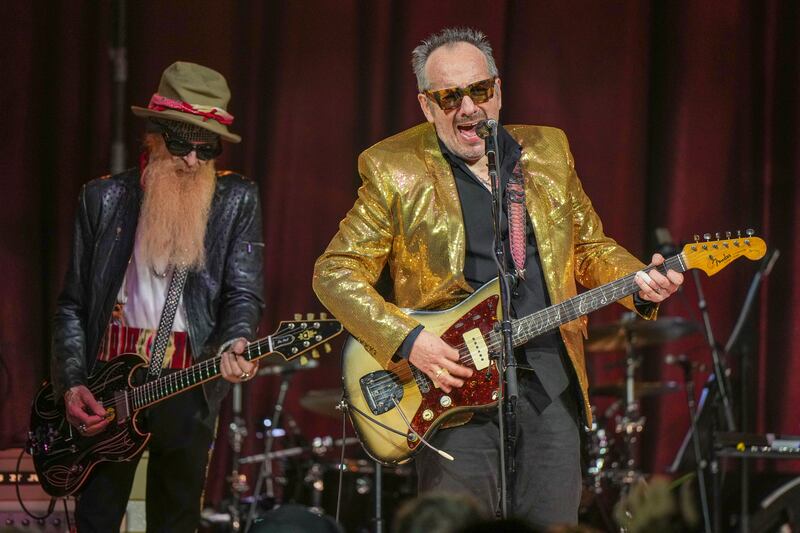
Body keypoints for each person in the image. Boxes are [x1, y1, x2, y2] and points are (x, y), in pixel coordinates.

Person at [313, 28, 683, 528]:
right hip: (453, 388)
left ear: (499, 90)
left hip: (549, 380)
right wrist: (410, 340)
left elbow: (589, 247)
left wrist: (637, 278)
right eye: (450, 97)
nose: (469, 108)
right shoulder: (393, 168)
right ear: (427, 106)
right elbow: (335, 272)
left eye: (480, 91)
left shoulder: (548, 152)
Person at [50, 62, 264, 532]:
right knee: (98, 517)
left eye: (205, 147)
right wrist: (71, 382)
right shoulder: (102, 199)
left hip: (187, 382)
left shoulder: (237, 199)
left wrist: (237, 341)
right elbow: (71, 305)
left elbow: (243, 293)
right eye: (180, 142)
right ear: (153, 134)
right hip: (108, 385)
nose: (191, 159)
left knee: (176, 519)